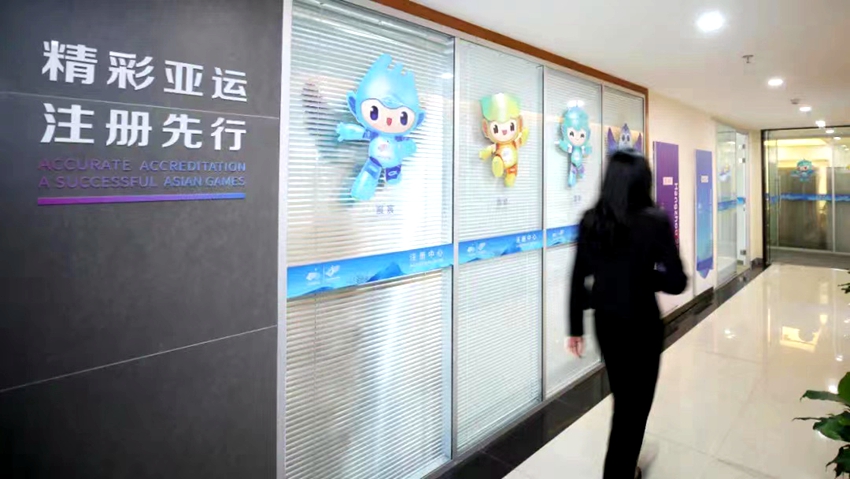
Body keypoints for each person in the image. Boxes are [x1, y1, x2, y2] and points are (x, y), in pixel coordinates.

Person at [566, 148, 687, 479]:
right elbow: (677, 282)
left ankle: (625, 466)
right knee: (635, 407)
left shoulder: (591, 220)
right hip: (642, 326)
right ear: (643, 181)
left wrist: (574, 328)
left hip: (606, 325)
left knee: (624, 399)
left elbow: (578, 277)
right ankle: (618, 472)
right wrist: (644, 276)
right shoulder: (655, 220)